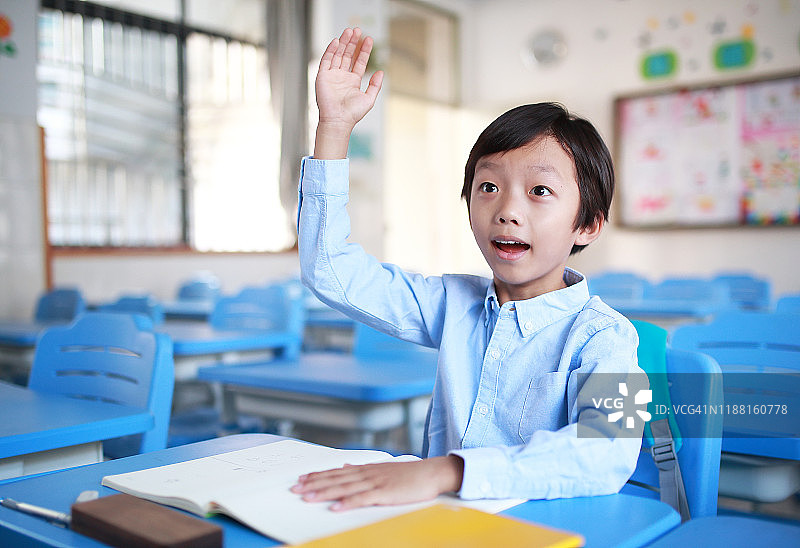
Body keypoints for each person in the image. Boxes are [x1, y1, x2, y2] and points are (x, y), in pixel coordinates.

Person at [291, 27, 644, 511]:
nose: (507, 210)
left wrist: (447, 470)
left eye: (539, 191)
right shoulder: (451, 303)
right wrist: (332, 129)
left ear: (587, 224)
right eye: (488, 187)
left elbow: (608, 449)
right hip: (440, 524)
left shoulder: (609, 337)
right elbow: (331, 271)